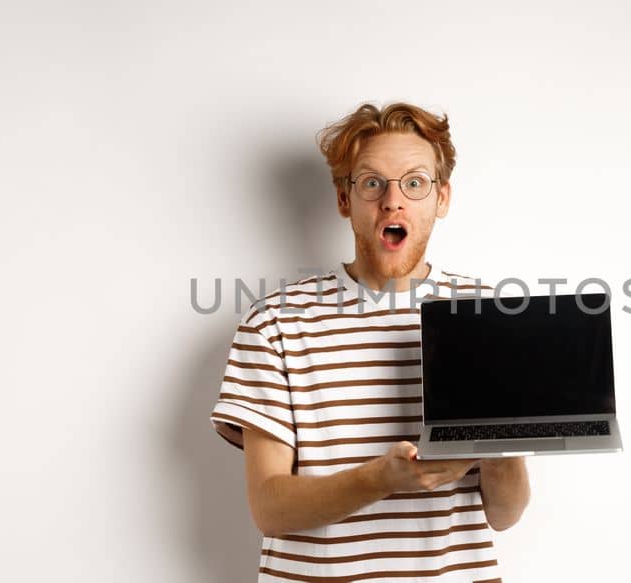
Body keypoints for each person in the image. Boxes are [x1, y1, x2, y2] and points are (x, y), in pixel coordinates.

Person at [209, 102, 531, 582]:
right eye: (372, 183)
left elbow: (505, 513)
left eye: (415, 183)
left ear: (442, 198)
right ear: (345, 199)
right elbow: (269, 508)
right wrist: (380, 479)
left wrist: (498, 447)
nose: (393, 201)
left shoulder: (488, 314)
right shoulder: (273, 323)